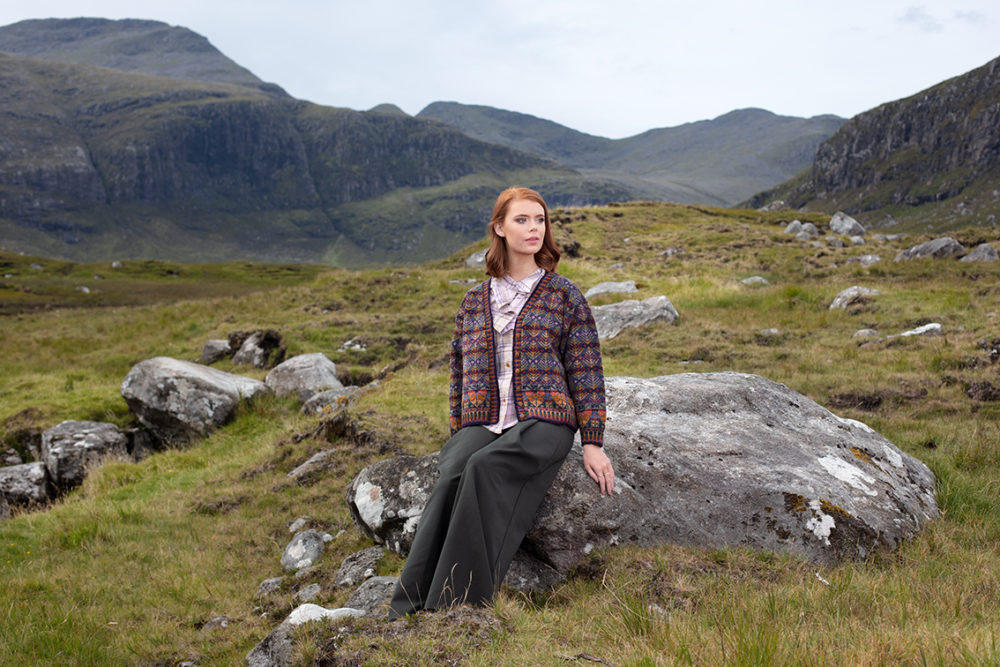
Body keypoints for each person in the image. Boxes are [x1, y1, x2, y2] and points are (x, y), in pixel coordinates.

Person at [387, 186, 614, 619]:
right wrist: (459, 434)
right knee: (455, 469)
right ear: (499, 228)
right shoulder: (474, 301)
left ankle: (457, 605)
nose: (534, 229)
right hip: (484, 420)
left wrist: (593, 441)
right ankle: (408, 605)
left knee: (484, 468)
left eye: (540, 220)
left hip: (545, 420)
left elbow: (586, 370)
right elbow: (459, 374)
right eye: (522, 220)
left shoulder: (564, 296)